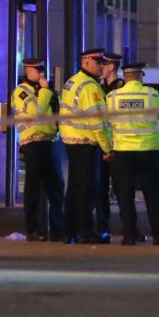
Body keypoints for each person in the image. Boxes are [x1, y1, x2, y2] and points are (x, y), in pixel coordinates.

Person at [106, 63, 159, 245]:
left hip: (123, 152)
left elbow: (108, 120)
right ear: (140, 75)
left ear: (125, 77)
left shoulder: (112, 96)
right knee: (153, 193)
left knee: (125, 194)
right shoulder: (151, 94)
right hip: (147, 150)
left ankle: (129, 234)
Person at [59, 48, 112, 244]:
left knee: (73, 189)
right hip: (85, 142)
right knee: (85, 190)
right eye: (99, 63)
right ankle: (86, 232)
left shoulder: (72, 82)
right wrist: (108, 148)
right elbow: (97, 122)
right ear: (87, 61)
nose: (102, 67)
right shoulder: (90, 87)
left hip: (71, 141)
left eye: (103, 63)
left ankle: (70, 231)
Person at [10, 58, 65, 241]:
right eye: (37, 70)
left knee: (56, 188)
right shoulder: (21, 92)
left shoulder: (43, 91)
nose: (41, 74)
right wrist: (45, 91)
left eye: (42, 70)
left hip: (49, 142)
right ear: (28, 71)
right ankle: (32, 230)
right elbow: (37, 112)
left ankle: (57, 229)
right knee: (33, 190)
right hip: (32, 144)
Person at [92, 51, 125, 244]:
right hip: (104, 146)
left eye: (103, 65)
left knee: (122, 189)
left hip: (118, 145)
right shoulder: (99, 87)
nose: (100, 69)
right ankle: (102, 229)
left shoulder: (120, 88)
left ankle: (129, 227)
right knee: (101, 189)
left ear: (111, 66)